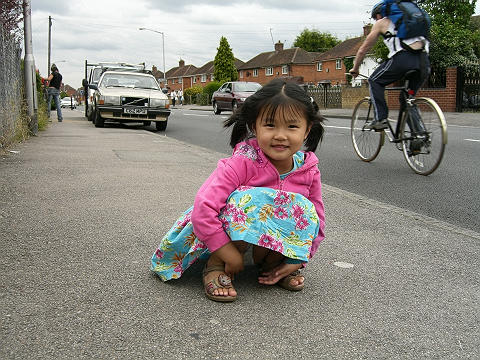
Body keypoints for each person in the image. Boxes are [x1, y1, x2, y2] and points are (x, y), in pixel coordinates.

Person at [151, 79, 326, 302]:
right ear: (255, 126)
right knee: (251, 198)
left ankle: (274, 266)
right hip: (223, 242)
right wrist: (227, 252)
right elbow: (204, 209)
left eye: (292, 126)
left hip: (265, 248)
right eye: (270, 125)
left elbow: (317, 219)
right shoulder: (242, 162)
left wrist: (297, 260)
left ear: (307, 129)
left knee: (302, 207)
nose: (280, 135)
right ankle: (216, 266)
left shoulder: (308, 170)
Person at [349, 1, 430, 132]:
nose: (376, 20)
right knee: (407, 99)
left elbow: (363, 50)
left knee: (374, 81)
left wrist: (356, 68)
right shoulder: (412, 22)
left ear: (379, 14)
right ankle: (418, 136)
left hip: (403, 59)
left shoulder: (382, 23)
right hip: (423, 62)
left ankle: (380, 119)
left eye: (375, 17)